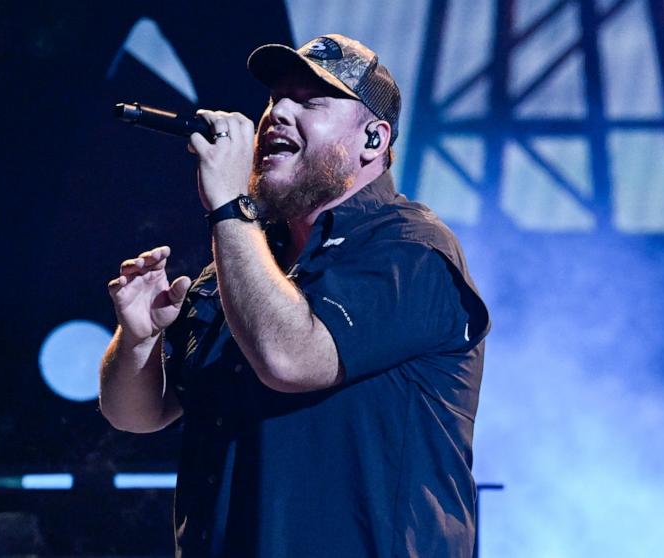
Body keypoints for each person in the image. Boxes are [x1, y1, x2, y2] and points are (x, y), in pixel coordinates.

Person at [99, 34, 490, 558]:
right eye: (274, 99)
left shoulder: (410, 251)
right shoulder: (246, 264)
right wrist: (139, 339)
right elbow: (137, 415)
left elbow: (292, 359)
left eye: (309, 101)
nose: (277, 113)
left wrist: (229, 208)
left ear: (373, 140)